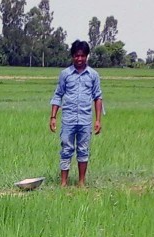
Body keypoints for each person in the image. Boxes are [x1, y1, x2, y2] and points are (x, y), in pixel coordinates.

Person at [49, 40, 103, 187]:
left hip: (85, 120)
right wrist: (53, 117)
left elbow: (98, 97)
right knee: (66, 149)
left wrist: (98, 120)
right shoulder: (65, 74)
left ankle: (81, 183)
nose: (79, 59)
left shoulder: (93, 75)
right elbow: (58, 95)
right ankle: (64, 183)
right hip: (68, 119)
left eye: (82, 56)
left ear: (87, 56)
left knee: (83, 150)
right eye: (76, 56)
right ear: (72, 56)